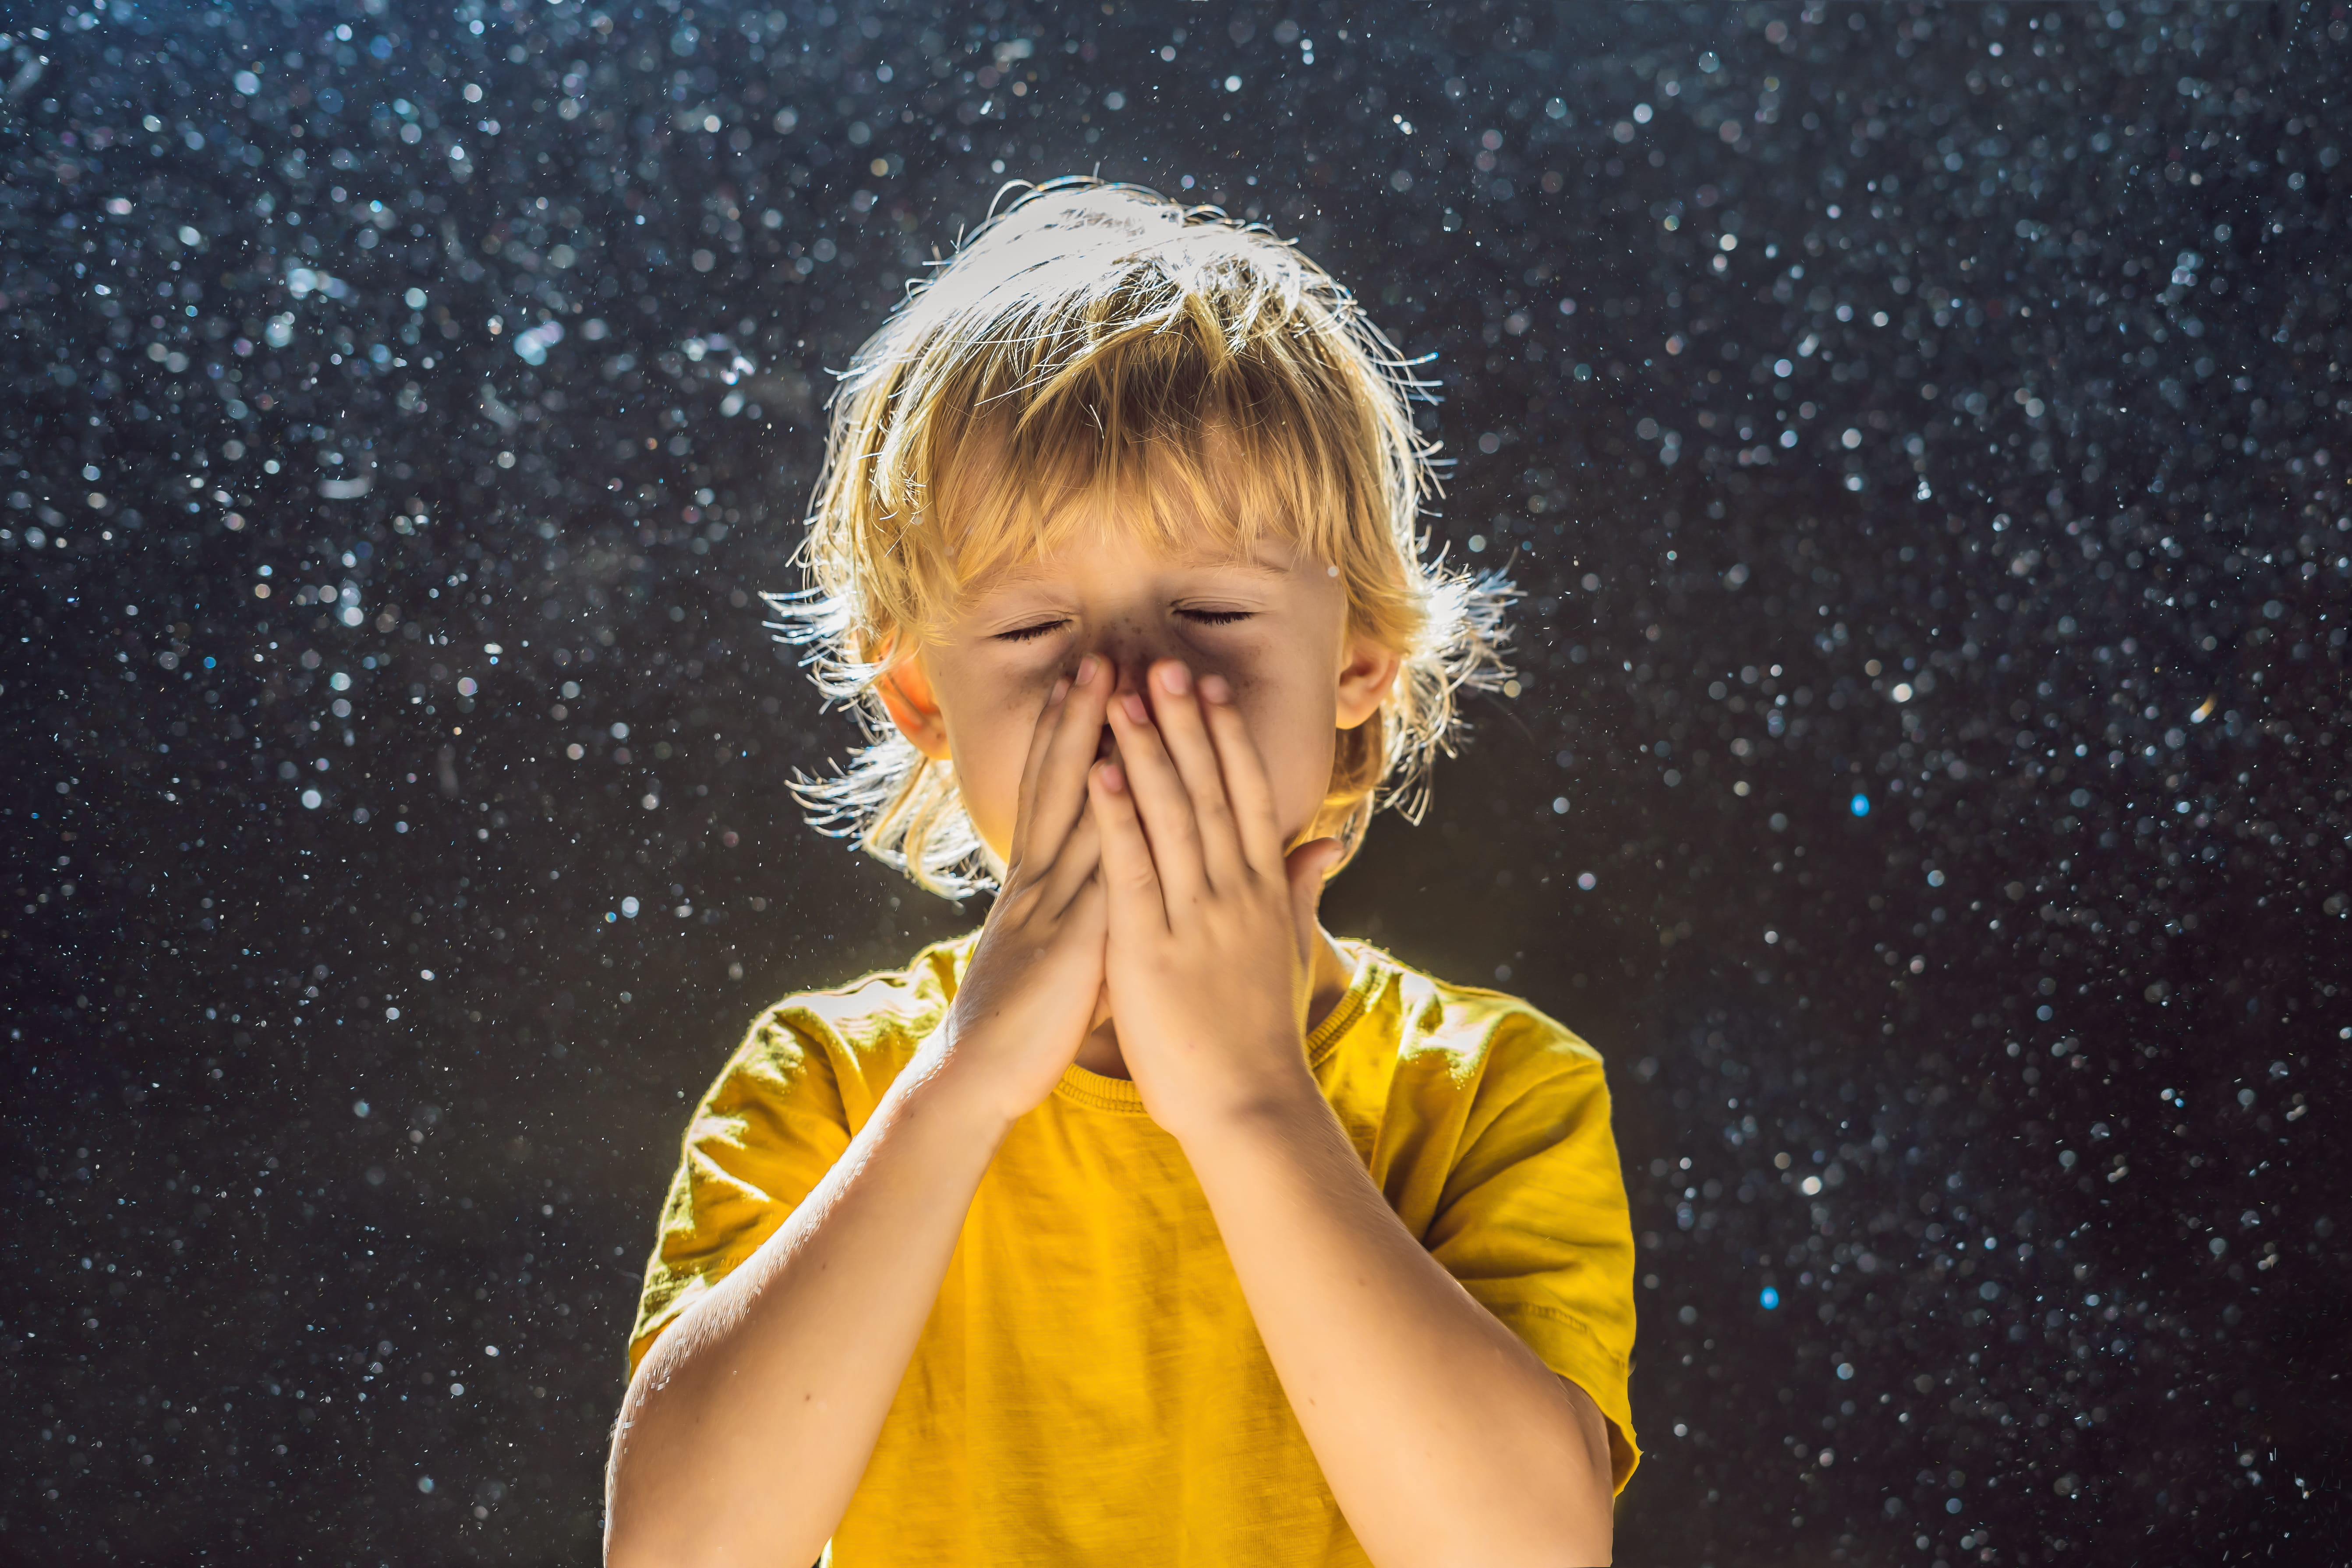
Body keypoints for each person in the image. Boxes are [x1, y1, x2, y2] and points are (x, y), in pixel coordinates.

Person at [603, 177, 1639, 1568]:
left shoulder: (1494, 1089)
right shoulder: (828, 1085)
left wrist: (1245, 1095)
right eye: (1033, 627)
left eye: (1211, 608)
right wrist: (968, 1078)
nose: (1129, 687)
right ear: (918, 697)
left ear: (1356, 659)